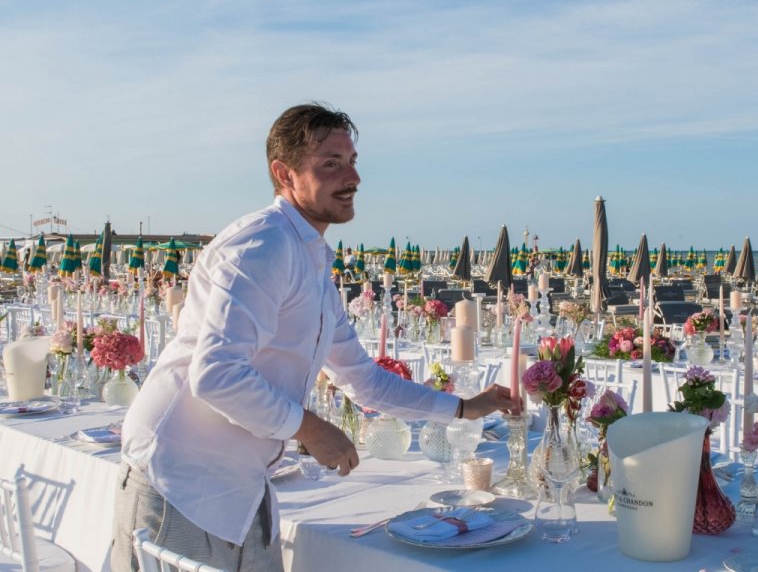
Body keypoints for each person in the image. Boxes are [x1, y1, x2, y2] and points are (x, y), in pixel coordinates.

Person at [110, 104, 515, 571]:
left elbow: (363, 379)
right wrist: (309, 428)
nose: (352, 177)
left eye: (352, 161)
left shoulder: (312, 261)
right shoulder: (261, 245)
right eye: (331, 164)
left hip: (242, 489)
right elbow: (218, 376)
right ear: (284, 174)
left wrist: (464, 408)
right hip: (178, 485)